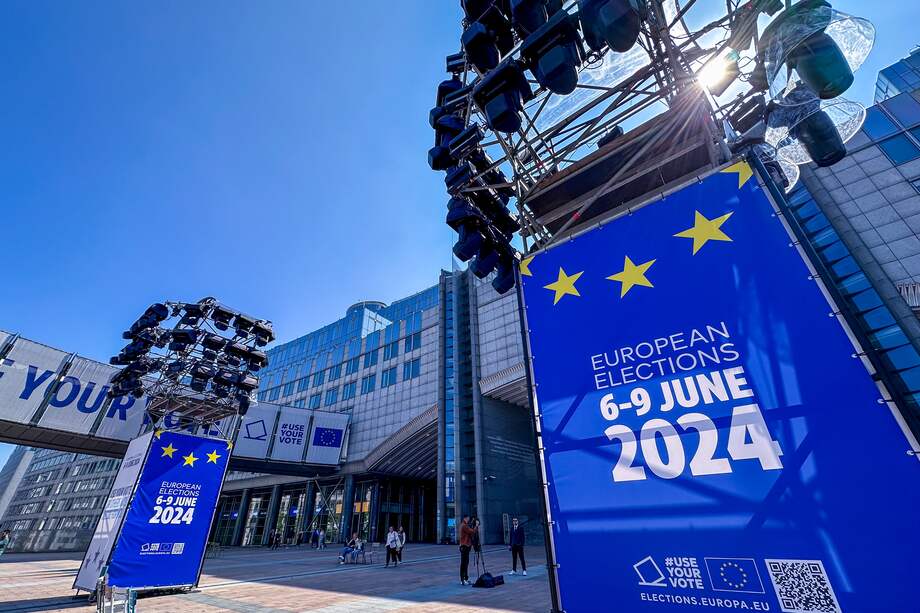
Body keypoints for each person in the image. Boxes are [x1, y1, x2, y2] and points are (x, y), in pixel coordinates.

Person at [458, 515, 477, 585]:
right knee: (464, 563)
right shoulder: (464, 526)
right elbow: (472, 531)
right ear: (465, 518)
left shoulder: (463, 525)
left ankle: (465, 579)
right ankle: (463, 580)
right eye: (468, 519)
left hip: (464, 546)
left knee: (465, 563)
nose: (468, 520)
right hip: (465, 546)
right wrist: (476, 526)